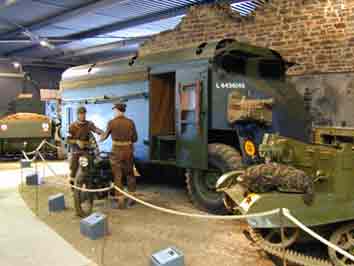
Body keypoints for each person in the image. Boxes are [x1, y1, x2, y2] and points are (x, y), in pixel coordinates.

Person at [100, 101, 138, 209]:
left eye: (114, 110)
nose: (114, 112)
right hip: (128, 151)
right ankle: (132, 197)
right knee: (130, 173)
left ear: (117, 110)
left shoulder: (111, 122)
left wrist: (100, 138)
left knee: (117, 175)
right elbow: (135, 138)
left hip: (116, 151)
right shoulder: (131, 122)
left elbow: (104, 136)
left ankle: (120, 200)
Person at [67, 106, 103, 184]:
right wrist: (76, 141)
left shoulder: (89, 124)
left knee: (90, 166)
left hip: (87, 150)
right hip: (76, 151)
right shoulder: (72, 126)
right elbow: (68, 140)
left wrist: (102, 132)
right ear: (77, 114)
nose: (83, 115)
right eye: (81, 114)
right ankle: (72, 184)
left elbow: (96, 129)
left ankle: (89, 184)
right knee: (74, 168)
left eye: (84, 114)